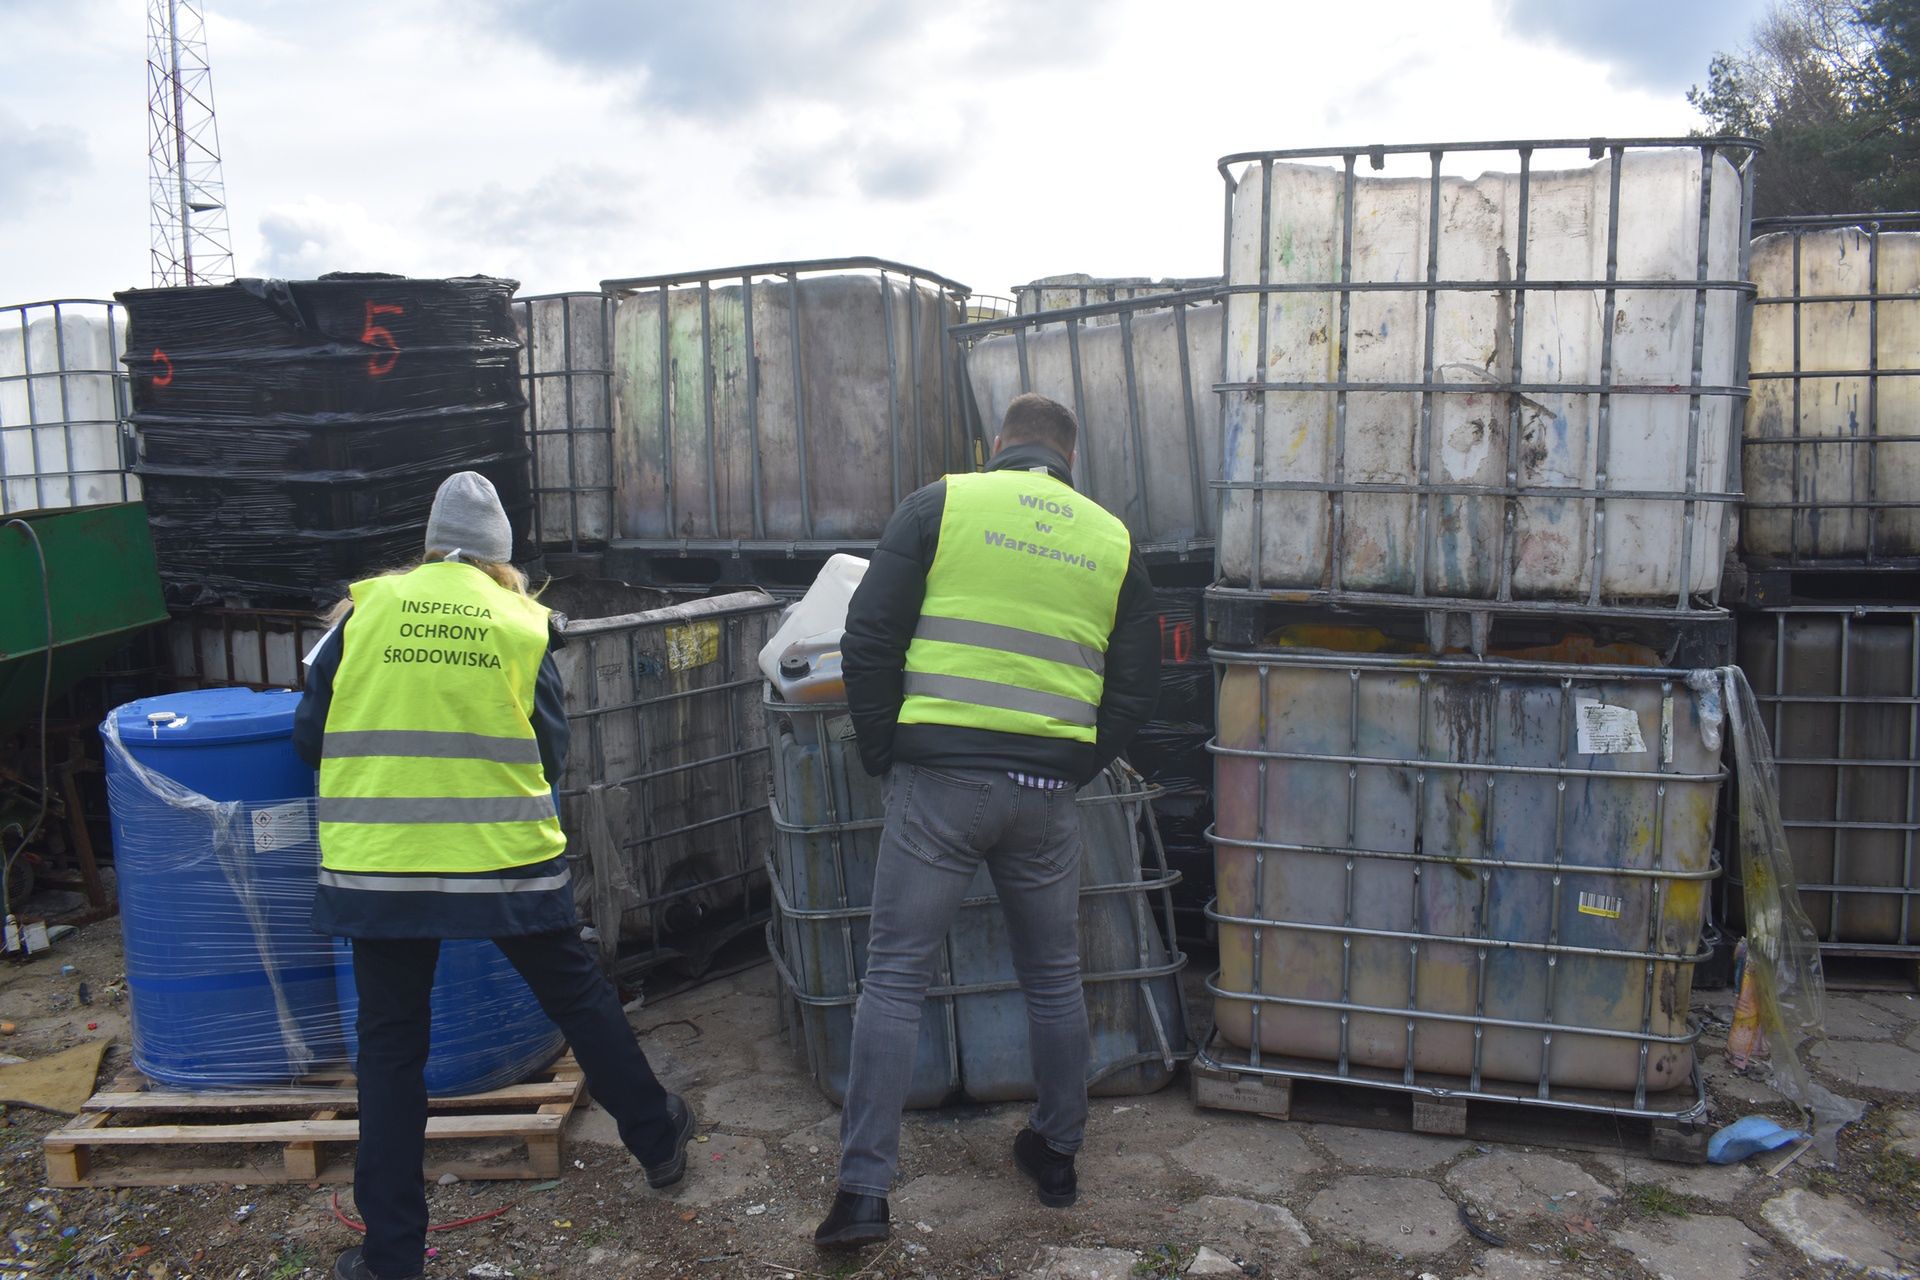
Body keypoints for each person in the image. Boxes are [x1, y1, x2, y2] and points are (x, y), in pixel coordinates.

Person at [294, 472, 696, 1280]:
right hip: (501, 858)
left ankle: (392, 1257)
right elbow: (550, 752)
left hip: (385, 866)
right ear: (501, 559)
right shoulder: (521, 623)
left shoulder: (363, 613)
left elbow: (311, 735)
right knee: (578, 998)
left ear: (433, 543)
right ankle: (658, 1139)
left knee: (391, 1051)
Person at [812, 393, 1160, 1250]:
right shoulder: (1112, 542)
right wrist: (1075, 761)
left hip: (939, 783)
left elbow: (869, 635)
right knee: (1053, 976)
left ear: (998, 444)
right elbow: (1137, 682)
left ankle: (863, 1197)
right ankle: (1057, 1153)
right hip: (1045, 793)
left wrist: (883, 750)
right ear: (1071, 461)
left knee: (894, 977)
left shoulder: (942, 504)